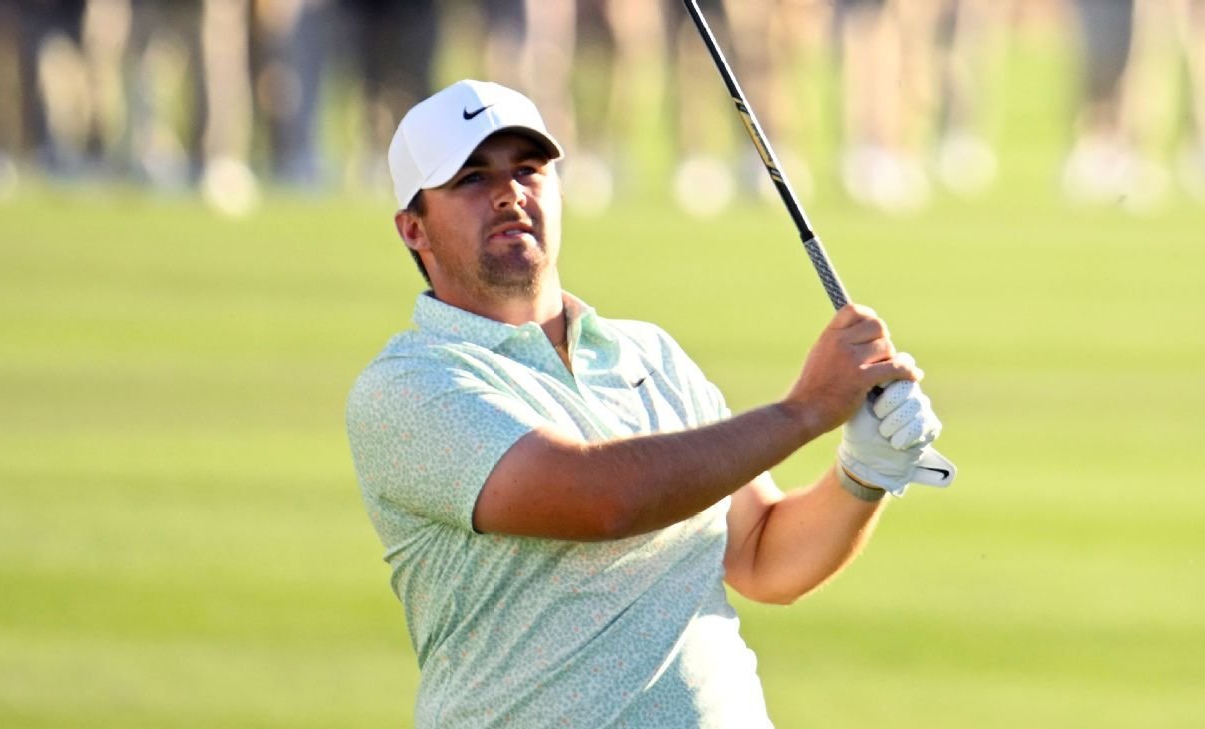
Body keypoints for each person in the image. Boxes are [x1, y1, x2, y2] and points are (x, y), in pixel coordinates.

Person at [346, 79, 952, 727]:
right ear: (414, 229)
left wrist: (863, 472)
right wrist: (802, 411)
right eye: (471, 178)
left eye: (528, 169)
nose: (509, 193)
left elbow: (761, 555)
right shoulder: (409, 386)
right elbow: (603, 499)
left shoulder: (648, 354)